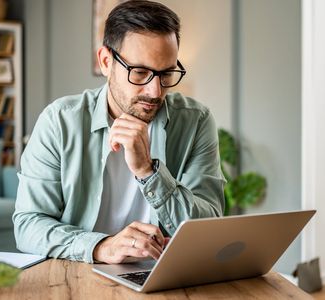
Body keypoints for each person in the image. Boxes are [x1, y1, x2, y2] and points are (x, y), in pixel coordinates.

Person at [13, 0, 225, 265]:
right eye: (140, 72)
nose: (155, 92)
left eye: (166, 74)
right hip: (81, 270)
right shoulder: (59, 121)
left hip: (163, 274)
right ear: (105, 61)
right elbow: (28, 224)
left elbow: (208, 228)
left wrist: (149, 172)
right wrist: (102, 246)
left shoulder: (196, 121)